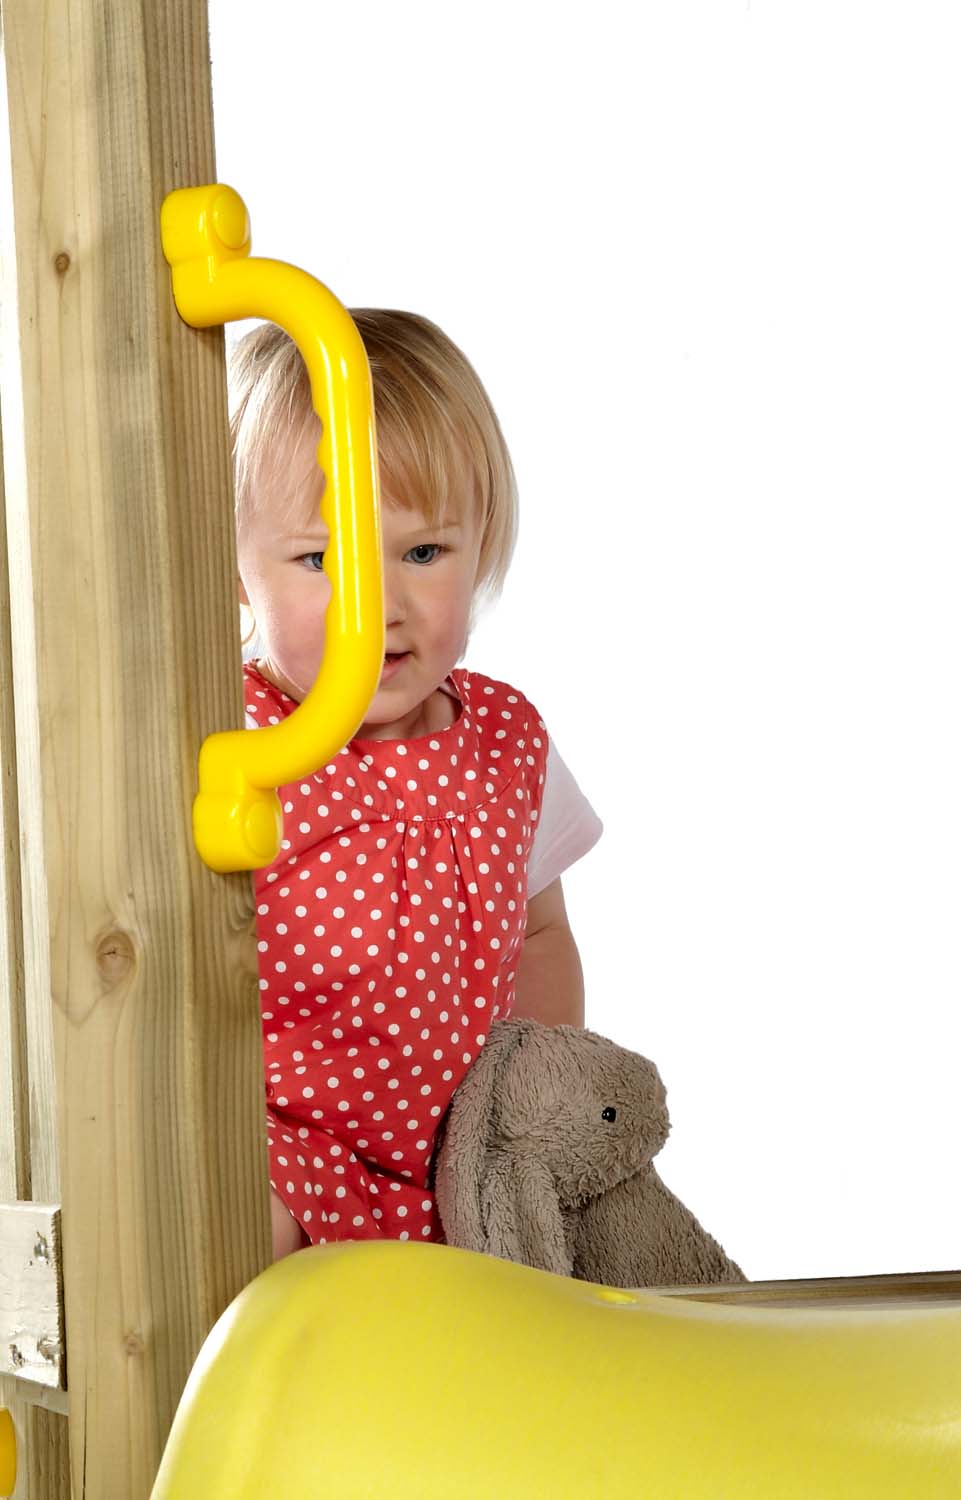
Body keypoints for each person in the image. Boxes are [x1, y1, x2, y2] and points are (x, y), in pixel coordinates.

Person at [230, 308, 602, 1259]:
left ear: (482, 546)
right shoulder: (233, 737)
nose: (379, 609)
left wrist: (527, 1113)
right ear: (236, 570)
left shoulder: (505, 743)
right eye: (321, 561)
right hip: (285, 1151)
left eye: (423, 553)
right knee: (238, 1237)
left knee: (581, 1245)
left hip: (452, 1166)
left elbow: (541, 933)